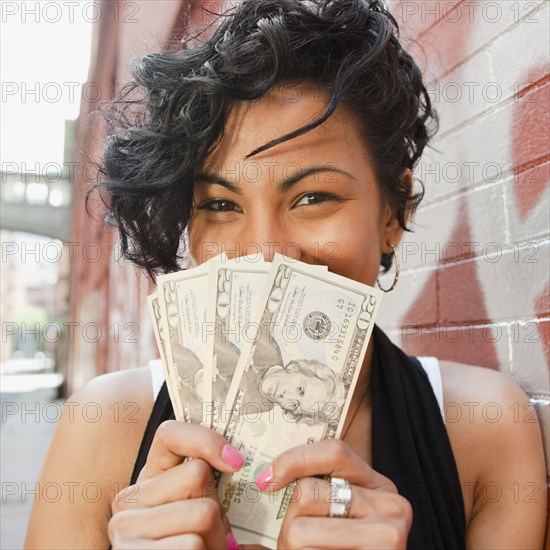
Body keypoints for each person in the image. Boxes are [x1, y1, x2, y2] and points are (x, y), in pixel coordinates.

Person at [26, 1, 547, 548]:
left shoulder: (481, 430)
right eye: (221, 206)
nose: (267, 253)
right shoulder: (104, 427)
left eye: (314, 196)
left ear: (393, 215)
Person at [260, 359, 345, 423]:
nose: (286, 396)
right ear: (294, 368)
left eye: (294, 405)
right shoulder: (267, 347)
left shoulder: (260, 410)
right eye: (300, 389)